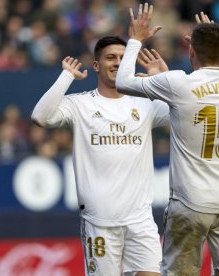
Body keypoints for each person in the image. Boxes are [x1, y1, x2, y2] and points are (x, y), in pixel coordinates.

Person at [115, 3, 219, 276]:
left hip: (190, 204)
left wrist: (135, 40)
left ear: (191, 51)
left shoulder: (179, 83)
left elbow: (123, 81)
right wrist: (213, 39)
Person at [31, 35, 169, 276]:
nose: (117, 63)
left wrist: (163, 79)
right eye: (110, 58)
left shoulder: (145, 105)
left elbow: (184, 113)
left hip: (141, 220)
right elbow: (40, 117)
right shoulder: (81, 105)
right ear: (96, 65)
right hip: (100, 222)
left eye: (123, 58)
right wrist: (67, 76)